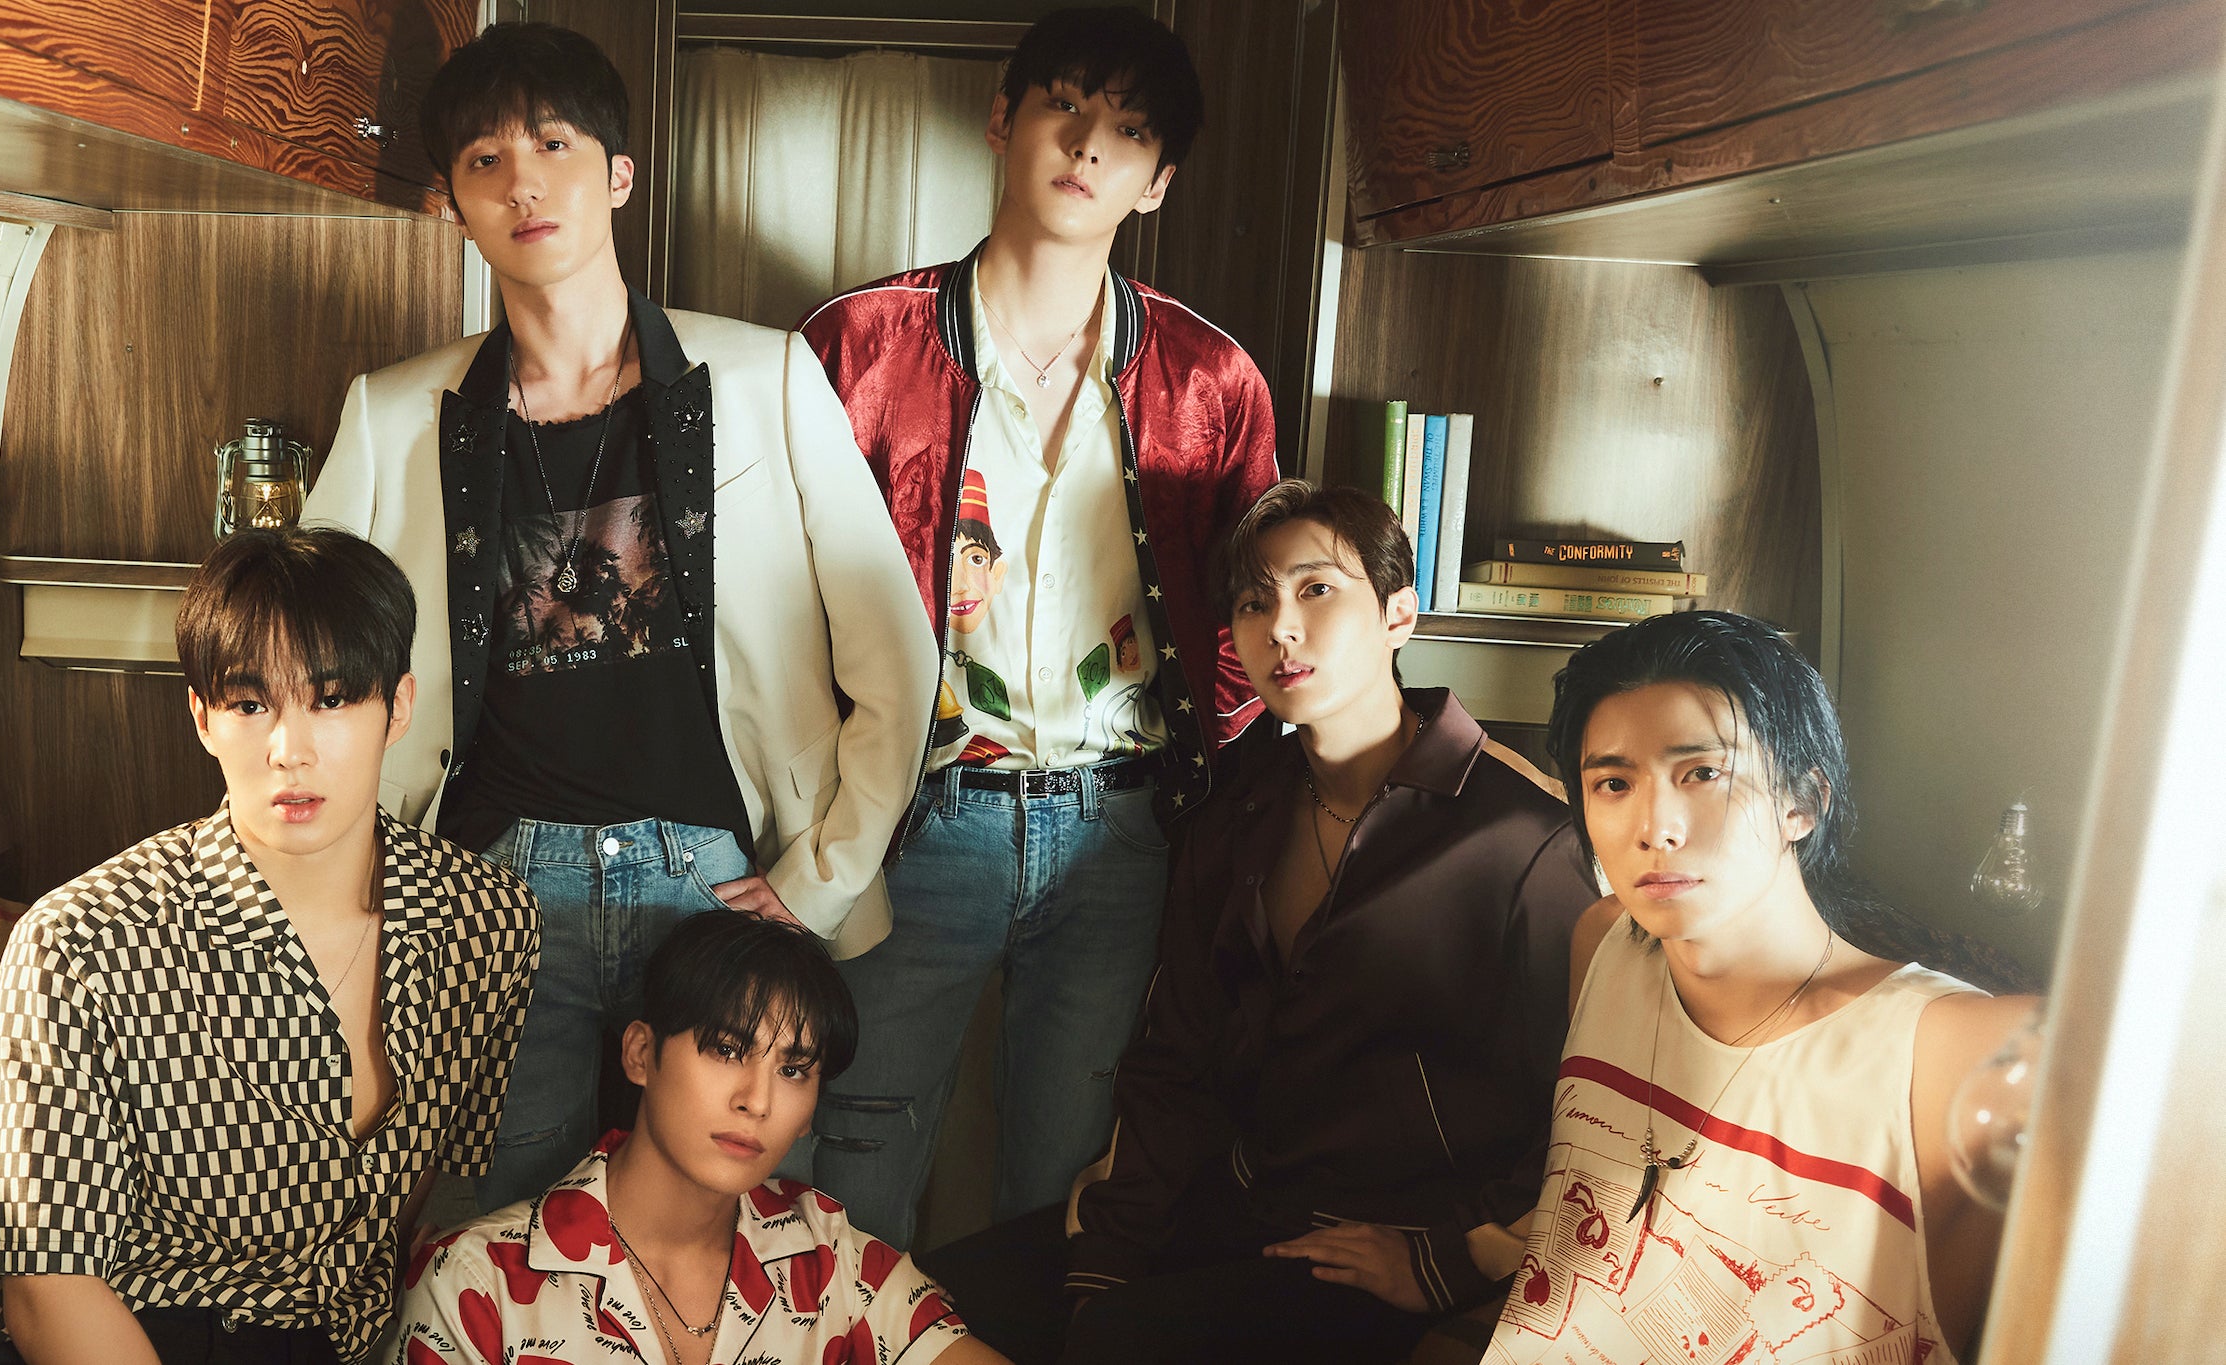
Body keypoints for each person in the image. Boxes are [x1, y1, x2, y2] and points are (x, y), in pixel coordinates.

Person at [306, 22, 935, 1209]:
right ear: (451, 203)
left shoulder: (764, 379)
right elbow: (318, 676)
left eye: (553, 144)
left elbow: (894, 658)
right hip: (492, 885)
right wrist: (358, 893)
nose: (522, 182)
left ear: (618, 176)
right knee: (496, 1235)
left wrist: (820, 878)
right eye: (485, 160)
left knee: (737, 1230)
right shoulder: (392, 415)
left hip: (717, 876)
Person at [795, 4, 1280, 1248]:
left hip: (1121, 829)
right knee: (854, 1152)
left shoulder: (1209, 378)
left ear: (1156, 181)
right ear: (1002, 119)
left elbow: (1250, 612)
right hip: (914, 816)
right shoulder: (857, 345)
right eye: (1063, 105)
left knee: (1066, 1176)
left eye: (1127, 130)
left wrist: (1203, 775)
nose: (1086, 144)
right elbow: (780, 604)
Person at [921, 481, 1602, 1364]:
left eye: (1316, 589)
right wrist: (1106, 1258)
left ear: (1399, 614)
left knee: (1121, 1343)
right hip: (1244, 1208)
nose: (1281, 626)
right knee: (923, 1302)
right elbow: (1174, 1059)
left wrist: (1447, 1259)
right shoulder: (1236, 813)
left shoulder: (1521, 835)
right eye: (1253, 602)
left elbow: (1590, 1110)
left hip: (1400, 1242)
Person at [0, 527, 540, 1365]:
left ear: (398, 707)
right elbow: (46, 1289)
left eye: (332, 699)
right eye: (252, 705)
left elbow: (426, 1197)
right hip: (108, 1330)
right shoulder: (80, 942)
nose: (290, 749)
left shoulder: (488, 919)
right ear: (203, 717)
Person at [1486, 610, 2039, 1364]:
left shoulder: (1950, 1048)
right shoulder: (1606, 944)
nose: (1655, 828)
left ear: (1802, 801)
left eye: (1702, 773)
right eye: (1613, 782)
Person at [392, 910, 1009, 1365]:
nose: (757, 1100)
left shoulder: (830, 1258)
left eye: (794, 1070)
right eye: (727, 1049)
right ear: (641, 1053)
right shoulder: (478, 1281)